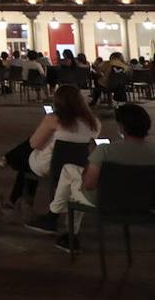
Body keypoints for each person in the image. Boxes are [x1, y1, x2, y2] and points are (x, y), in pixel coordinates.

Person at [35, 103, 154, 250]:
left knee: (73, 183)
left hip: (108, 201)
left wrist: (85, 173)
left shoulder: (106, 150)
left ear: (122, 127)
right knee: (71, 174)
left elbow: (89, 184)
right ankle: (56, 221)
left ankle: (62, 227)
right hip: (145, 203)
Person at [0, 84, 100, 215]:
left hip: (51, 166)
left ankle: (15, 189)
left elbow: (34, 144)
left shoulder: (54, 119)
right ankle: (18, 199)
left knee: (26, 157)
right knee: (27, 159)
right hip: (77, 166)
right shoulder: (94, 122)